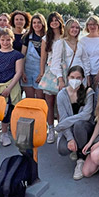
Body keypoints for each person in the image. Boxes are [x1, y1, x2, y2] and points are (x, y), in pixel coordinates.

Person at [55, 66, 96, 180]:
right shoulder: (62, 95)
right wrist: (70, 138)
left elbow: (86, 115)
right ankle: (77, 146)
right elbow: (63, 117)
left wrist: (61, 125)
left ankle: (81, 158)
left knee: (79, 124)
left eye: (78, 77)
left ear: (83, 79)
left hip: (85, 128)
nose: (75, 80)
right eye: (72, 77)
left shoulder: (89, 92)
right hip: (70, 130)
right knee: (62, 149)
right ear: (67, 77)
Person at [0, 28, 25, 146]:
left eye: (8, 40)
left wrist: (9, 88)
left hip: (9, 85)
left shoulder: (17, 55)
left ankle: (4, 134)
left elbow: (18, 72)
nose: (5, 42)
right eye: (3, 40)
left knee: (7, 112)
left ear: (12, 40)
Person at [39, 12, 64, 143]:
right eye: (52, 20)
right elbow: (43, 58)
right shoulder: (45, 38)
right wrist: (42, 73)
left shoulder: (65, 37)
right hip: (50, 71)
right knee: (49, 102)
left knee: (61, 102)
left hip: (63, 71)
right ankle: (51, 129)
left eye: (57, 20)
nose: (54, 22)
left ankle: (60, 129)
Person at [51, 19, 91, 91]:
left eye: (77, 28)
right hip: (66, 77)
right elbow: (56, 63)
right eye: (72, 27)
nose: (74, 29)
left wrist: (87, 78)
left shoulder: (81, 43)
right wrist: (60, 80)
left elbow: (85, 61)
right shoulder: (60, 43)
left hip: (80, 77)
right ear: (67, 28)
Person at [21, 13, 46, 99]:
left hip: (41, 70)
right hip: (28, 70)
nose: (36, 25)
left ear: (43, 23)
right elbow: (22, 56)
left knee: (40, 97)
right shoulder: (28, 36)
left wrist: (41, 73)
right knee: (29, 97)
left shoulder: (46, 37)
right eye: (34, 23)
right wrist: (22, 71)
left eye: (39, 22)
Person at [79, 15, 99, 89]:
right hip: (86, 73)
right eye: (90, 24)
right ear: (87, 26)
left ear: (98, 25)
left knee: (98, 97)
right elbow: (82, 58)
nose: (92, 26)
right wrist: (87, 75)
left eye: (94, 24)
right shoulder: (82, 40)